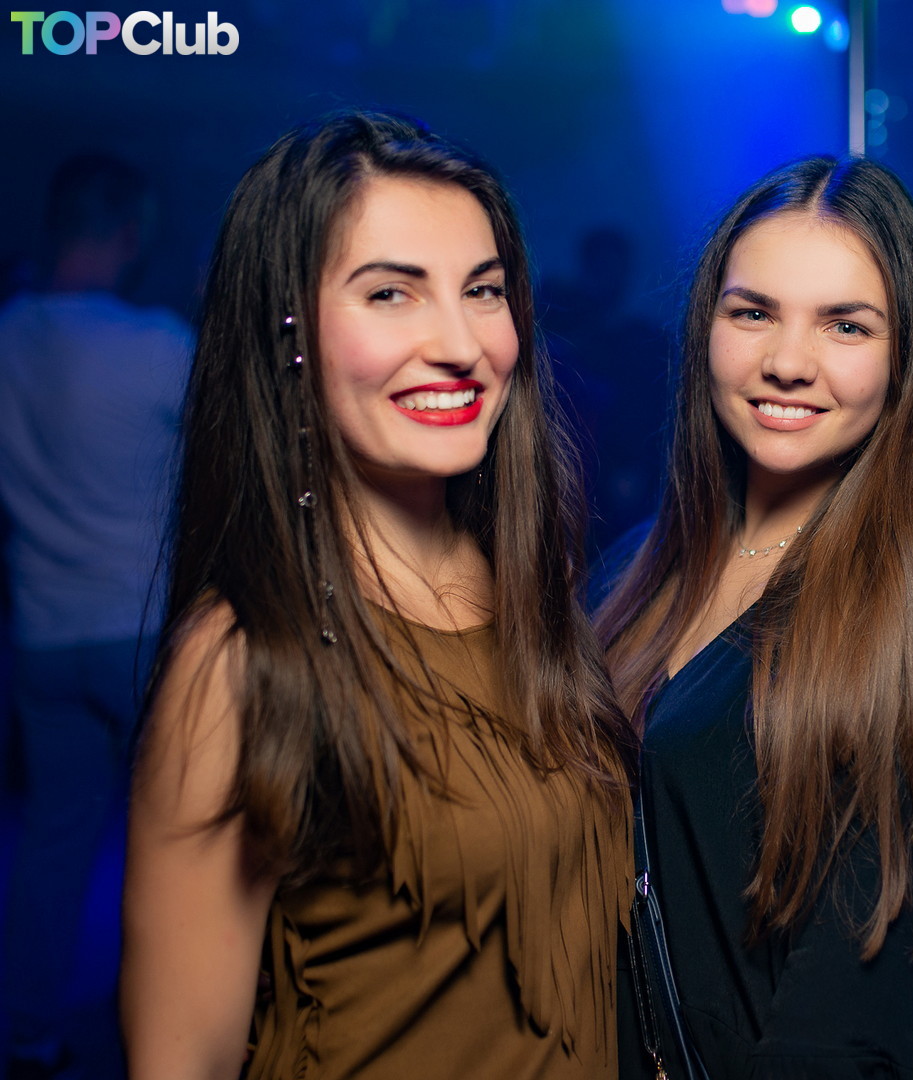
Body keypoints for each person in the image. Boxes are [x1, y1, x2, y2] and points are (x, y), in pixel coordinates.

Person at [120, 110, 635, 1080]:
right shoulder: (242, 661)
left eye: (483, 291)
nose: (460, 343)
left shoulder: (529, 589)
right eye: (391, 293)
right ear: (286, 330)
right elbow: (179, 1058)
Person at [593, 156, 913, 1078]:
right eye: (753, 313)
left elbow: (848, 1024)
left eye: (845, 324)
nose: (787, 362)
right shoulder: (630, 572)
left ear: (904, 356)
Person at [0, 153, 189, 1077]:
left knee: (51, 843)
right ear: (130, 232)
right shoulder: (156, 345)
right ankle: (168, 1036)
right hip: (140, 630)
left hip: (42, 629)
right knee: (182, 839)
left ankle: (26, 1038)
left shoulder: (7, 336)